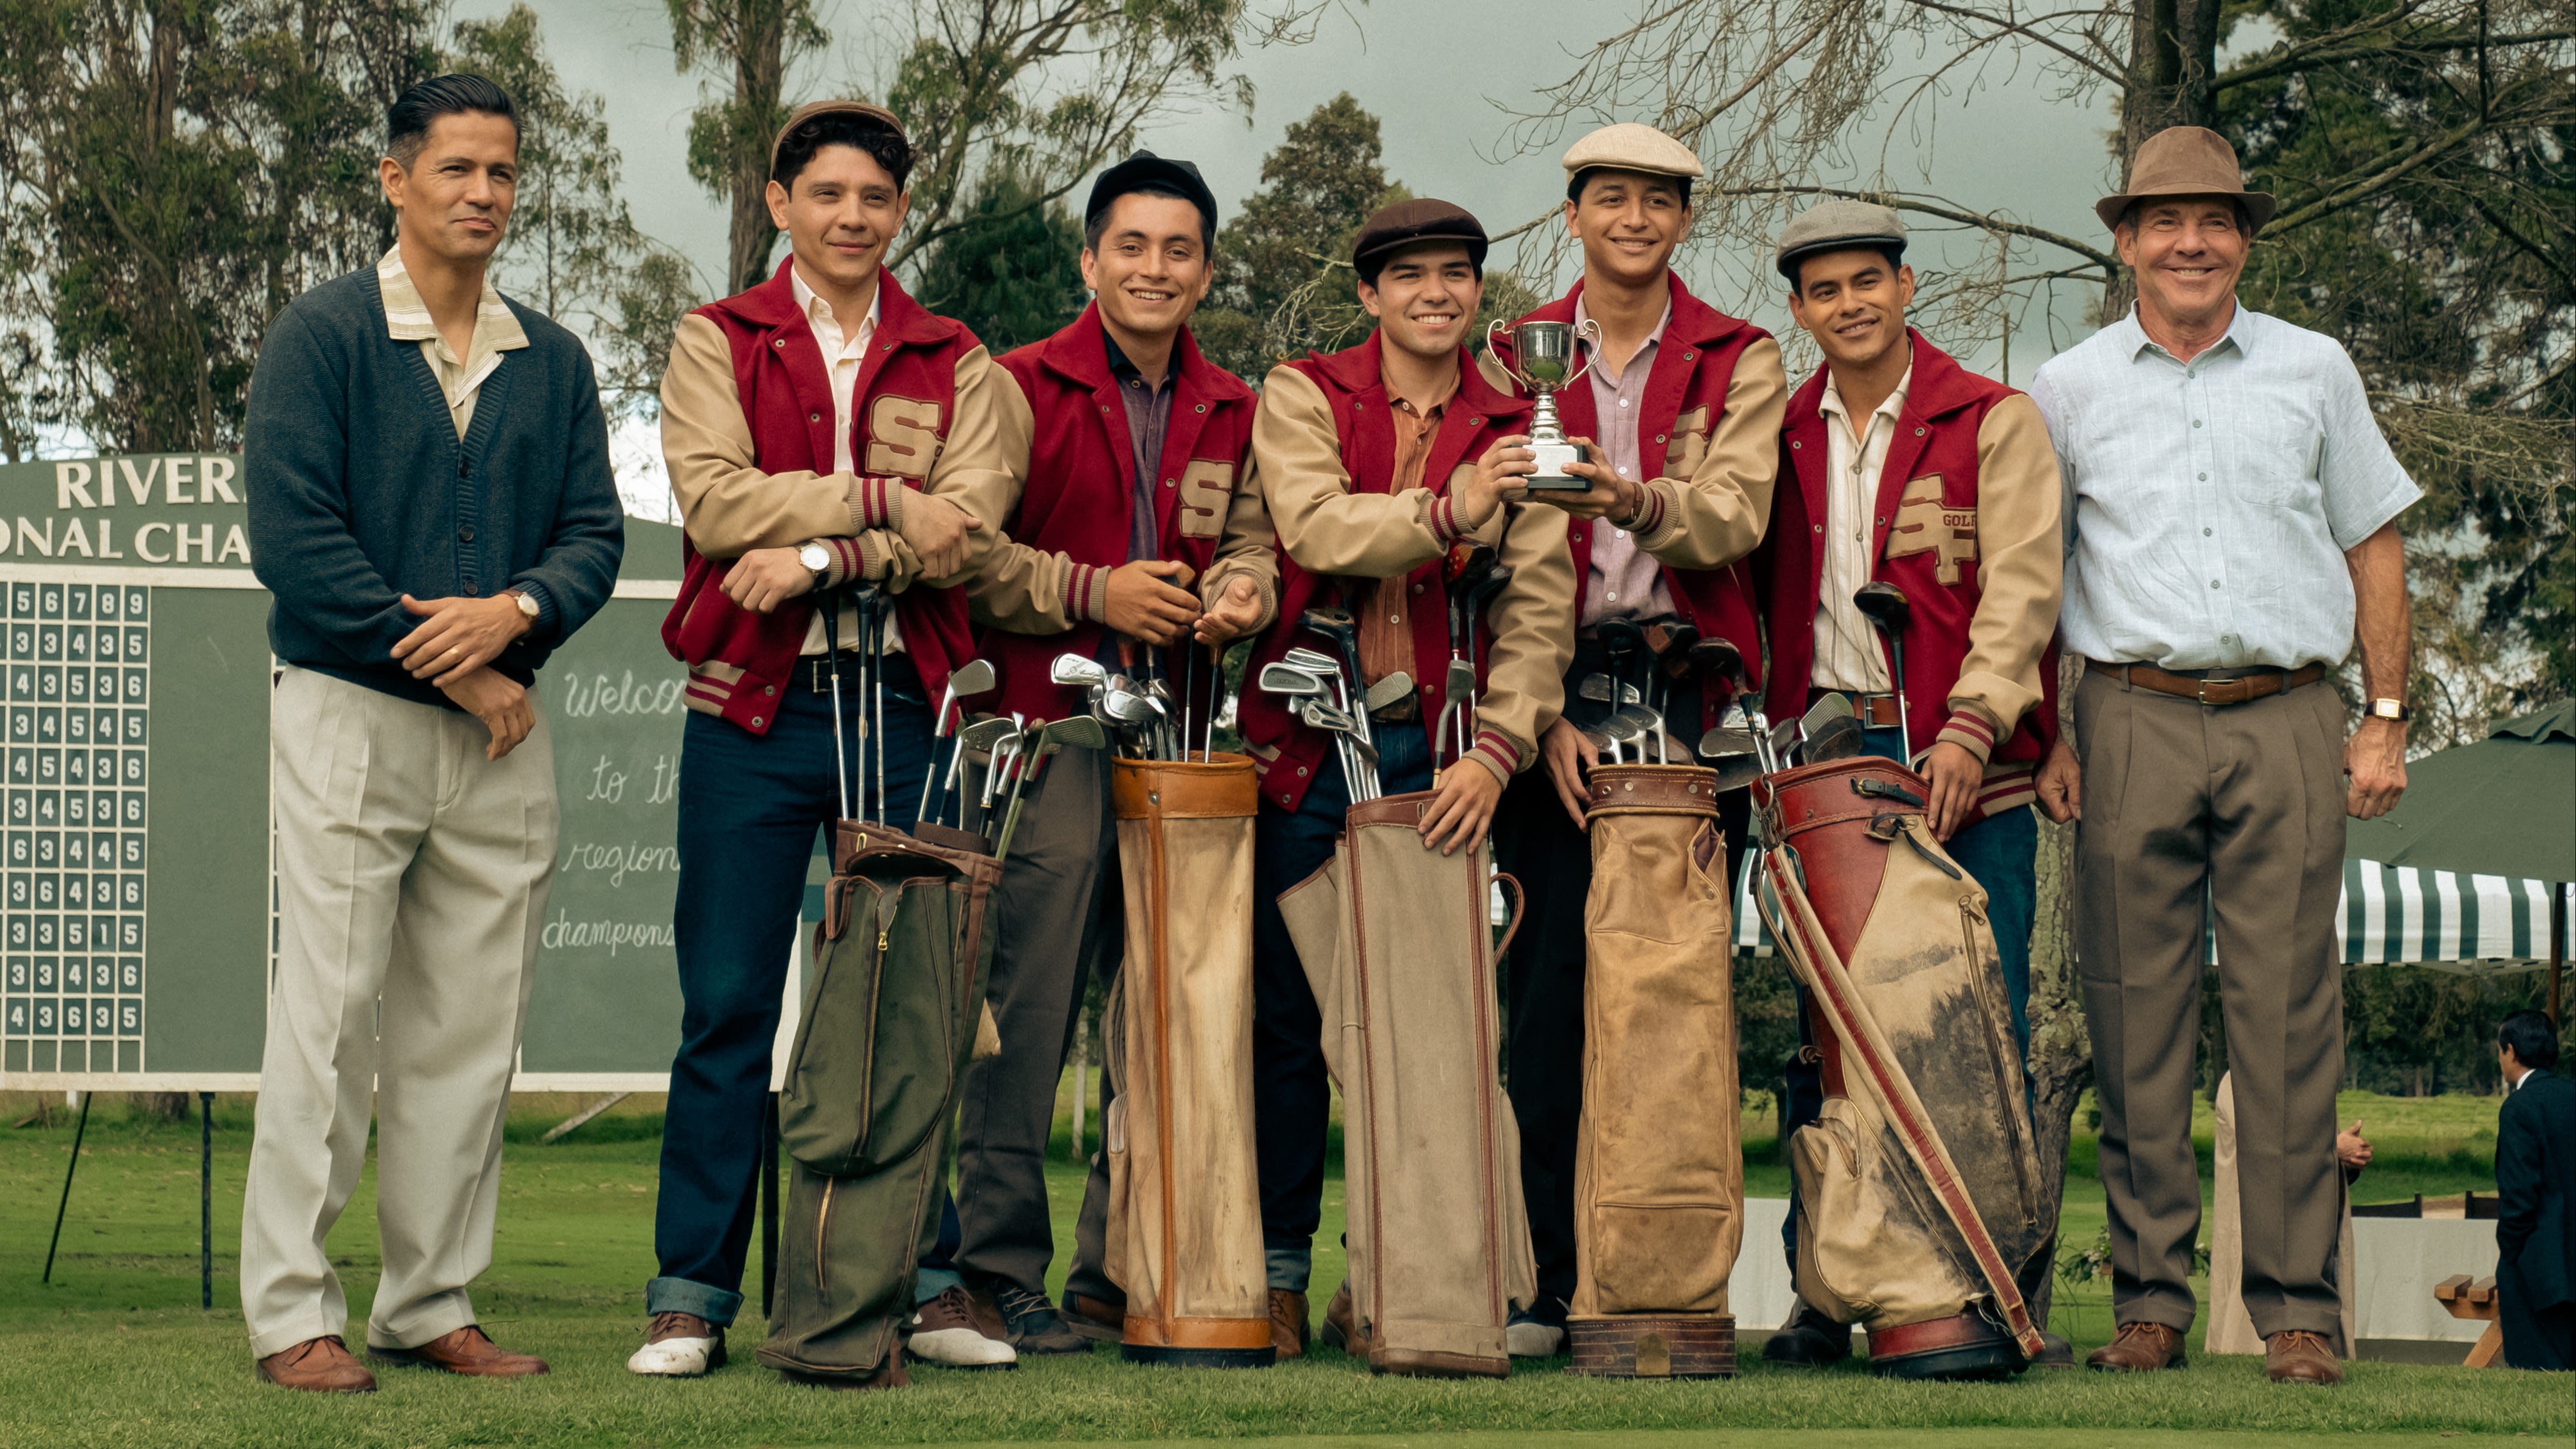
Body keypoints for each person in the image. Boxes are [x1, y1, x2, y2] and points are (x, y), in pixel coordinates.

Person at [239, 73, 626, 1393]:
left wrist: (518, 613)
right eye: (456, 168)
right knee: (331, 1023)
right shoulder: (323, 336)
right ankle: (293, 1308)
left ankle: (426, 1302)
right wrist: (465, 670)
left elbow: (590, 539)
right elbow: (294, 547)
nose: (481, 193)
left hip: (502, 743)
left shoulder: (555, 360)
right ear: (395, 179)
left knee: (470, 1031)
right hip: (355, 715)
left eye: (502, 173)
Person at [2028, 125, 2420, 1386]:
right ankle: (2145, 1303)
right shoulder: (2066, 387)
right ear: (2125, 241)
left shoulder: (2312, 370)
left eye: (2212, 221)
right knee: (2134, 1019)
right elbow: (2037, 573)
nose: (2187, 242)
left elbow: (2370, 543)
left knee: (2287, 1021)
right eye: (2161, 222)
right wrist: (2047, 731)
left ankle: (2295, 1311)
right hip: (2126, 710)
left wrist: (2384, 714)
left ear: (2243, 238)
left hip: (2290, 714)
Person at [635, 99, 1020, 1382]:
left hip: (905, 699)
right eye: (828, 194)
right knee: (729, 1002)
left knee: (913, 1002)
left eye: (875, 197)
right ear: (780, 204)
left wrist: (820, 549)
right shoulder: (715, 338)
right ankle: (690, 1294)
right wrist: (879, 502)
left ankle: (921, 1279)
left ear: (900, 211)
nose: (852, 217)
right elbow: (712, 496)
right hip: (753, 709)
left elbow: (962, 526)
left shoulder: (957, 356)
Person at [948, 150, 1276, 1353]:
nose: (1153, 268)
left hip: (1184, 752)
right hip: (1049, 739)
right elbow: (965, 550)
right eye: (1130, 246)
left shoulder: (1233, 405)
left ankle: (1121, 1266)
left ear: (1202, 268)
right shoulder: (1016, 384)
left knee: (1165, 1019)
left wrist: (1241, 593)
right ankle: (996, 1272)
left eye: (1177, 249)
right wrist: (1095, 590)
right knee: (1026, 1014)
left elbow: (1255, 548)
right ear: (1089, 260)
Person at [1237, 198, 1574, 1357]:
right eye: (1409, 276)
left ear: (1478, 293)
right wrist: (1448, 509)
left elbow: (1536, 607)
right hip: (1303, 742)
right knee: (1287, 1019)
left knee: (1432, 1032)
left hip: (1444, 751)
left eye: (1455, 276)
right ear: (1370, 292)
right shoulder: (1304, 393)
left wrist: (1500, 749)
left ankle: (1400, 1273)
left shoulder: (1516, 417)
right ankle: (1277, 1274)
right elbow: (1318, 528)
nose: (1435, 294)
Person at [1479, 123, 1785, 1351]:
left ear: (1681, 221)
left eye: (1657, 202)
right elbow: (1485, 554)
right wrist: (1535, 713)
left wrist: (1629, 497)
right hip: (1546, 688)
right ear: (1572, 215)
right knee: (1545, 996)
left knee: (1670, 998)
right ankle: (1549, 1280)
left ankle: (1661, 1279)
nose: (1633, 219)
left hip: (1683, 692)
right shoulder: (1512, 358)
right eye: (1610, 198)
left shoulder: (1737, 356)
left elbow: (1732, 519)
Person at [1751, 200, 2066, 1367]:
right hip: (1821, 761)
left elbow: (2022, 588)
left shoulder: (1991, 419)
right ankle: (1829, 1285)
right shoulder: (1779, 429)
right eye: (1822, 290)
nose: (1847, 304)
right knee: (1826, 1041)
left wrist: (1973, 724)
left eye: (1864, 282)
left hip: (1958, 766)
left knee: (1971, 1031)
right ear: (1796, 308)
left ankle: (1983, 1293)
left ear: (1904, 286)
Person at [2207, 1072, 2368, 1357]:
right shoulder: (2240, 1081)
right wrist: (2333, 1147)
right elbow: (2264, 1141)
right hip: (2262, 1221)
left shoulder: (2302, 1076)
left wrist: (2346, 1162)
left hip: (2307, 1222)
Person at [2493, 1009, 2574, 1371]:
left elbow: (2519, 1196)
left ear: (2510, 1051)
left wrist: (2509, 1250)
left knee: (2538, 1370)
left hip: (2540, 1263)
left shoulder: (2519, 1108)